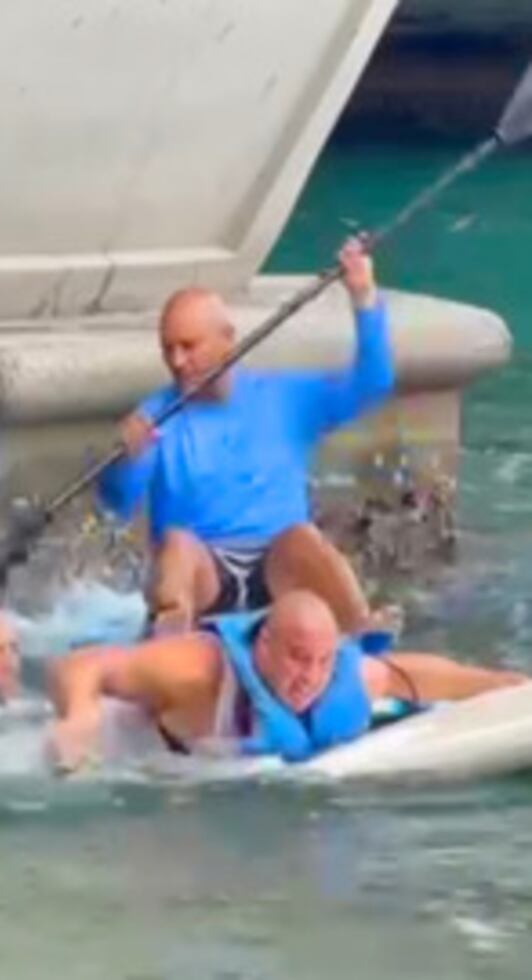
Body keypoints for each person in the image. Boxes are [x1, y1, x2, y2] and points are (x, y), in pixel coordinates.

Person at [98, 239, 396, 635]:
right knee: (177, 546)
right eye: (168, 349)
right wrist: (125, 460)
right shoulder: (153, 416)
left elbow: (373, 382)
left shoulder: (287, 397)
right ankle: (169, 637)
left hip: (280, 572)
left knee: (303, 539)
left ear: (227, 340)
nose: (177, 362)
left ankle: (360, 630)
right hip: (204, 577)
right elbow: (118, 503)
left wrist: (363, 296)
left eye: (189, 346)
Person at [46, 590, 527, 773]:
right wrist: (79, 717)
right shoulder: (198, 670)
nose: (311, 677)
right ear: (264, 645)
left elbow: (417, 677)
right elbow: (83, 664)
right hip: (112, 754)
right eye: (298, 659)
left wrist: (503, 684)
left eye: (322, 661)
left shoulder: (344, 676)